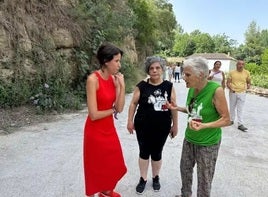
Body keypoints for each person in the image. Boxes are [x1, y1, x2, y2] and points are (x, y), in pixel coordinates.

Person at [167, 57, 230, 197]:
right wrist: (176, 108)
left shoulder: (216, 90)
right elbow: (193, 111)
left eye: (187, 74)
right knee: (185, 170)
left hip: (207, 144)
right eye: (184, 73)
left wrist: (204, 126)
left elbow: (226, 119)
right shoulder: (192, 88)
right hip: (189, 139)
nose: (184, 77)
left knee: (204, 179)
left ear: (201, 75)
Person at [127, 56, 178, 195]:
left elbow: (173, 106)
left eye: (157, 68)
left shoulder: (169, 86)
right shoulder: (141, 86)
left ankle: (156, 177)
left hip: (162, 125)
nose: (154, 70)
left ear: (162, 69)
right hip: (143, 125)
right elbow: (133, 104)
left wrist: (175, 125)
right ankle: (143, 179)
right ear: (148, 70)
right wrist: (130, 121)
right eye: (151, 68)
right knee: (144, 151)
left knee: (157, 152)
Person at [83, 42, 127, 197]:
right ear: (106, 61)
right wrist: (112, 110)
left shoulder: (113, 79)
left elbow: (120, 108)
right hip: (95, 131)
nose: (119, 65)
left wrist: (121, 87)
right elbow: (93, 114)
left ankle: (106, 190)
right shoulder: (93, 80)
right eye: (116, 61)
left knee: (115, 163)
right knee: (100, 165)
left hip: (109, 128)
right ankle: (105, 192)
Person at [226, 59, 251, 132]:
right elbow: (228, 83)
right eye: (239, 64)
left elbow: (249, 82)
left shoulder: (247, 73)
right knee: (232, 107)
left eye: (242, 64)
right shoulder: (232, 73)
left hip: (242, 93)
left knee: (240, 109)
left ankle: (240, 124)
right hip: (233, 92)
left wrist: (248, 86)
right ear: (236, 65)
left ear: (244, 65)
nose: (241, 65)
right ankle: (231, 120)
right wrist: (231, 89)